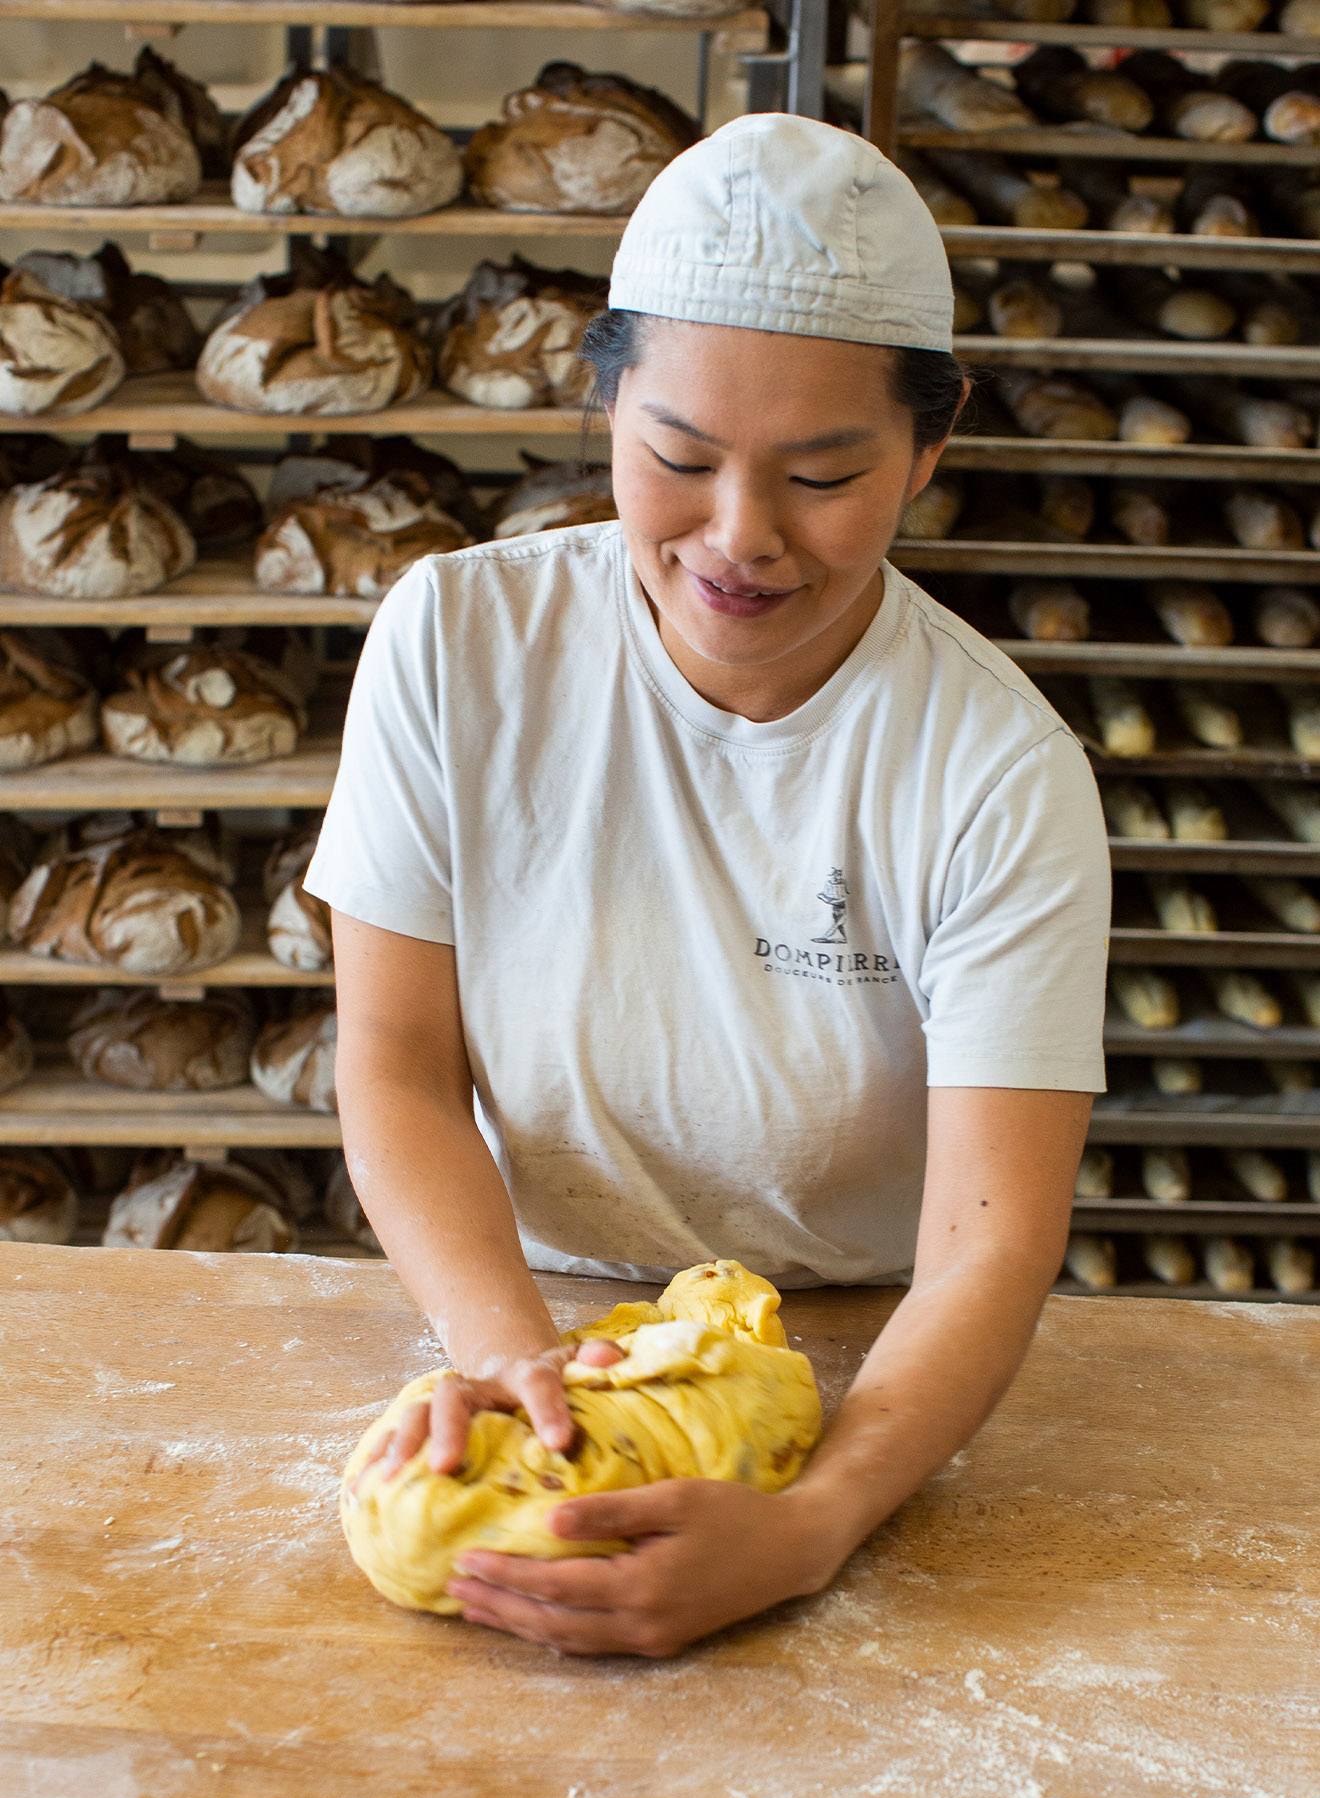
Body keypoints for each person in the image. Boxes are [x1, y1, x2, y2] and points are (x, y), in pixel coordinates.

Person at [307, 114, 1111, 1658]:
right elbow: (395, 1064)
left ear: (929, 448)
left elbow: (991, 1241)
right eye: (678, 459)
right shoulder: (459, 645)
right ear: (608, 401)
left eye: (824, 474)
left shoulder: (998, 772)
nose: (740, 538)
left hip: (869, 1346)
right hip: (515, 1291)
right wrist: (513, 1360)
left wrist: (817, 1521)